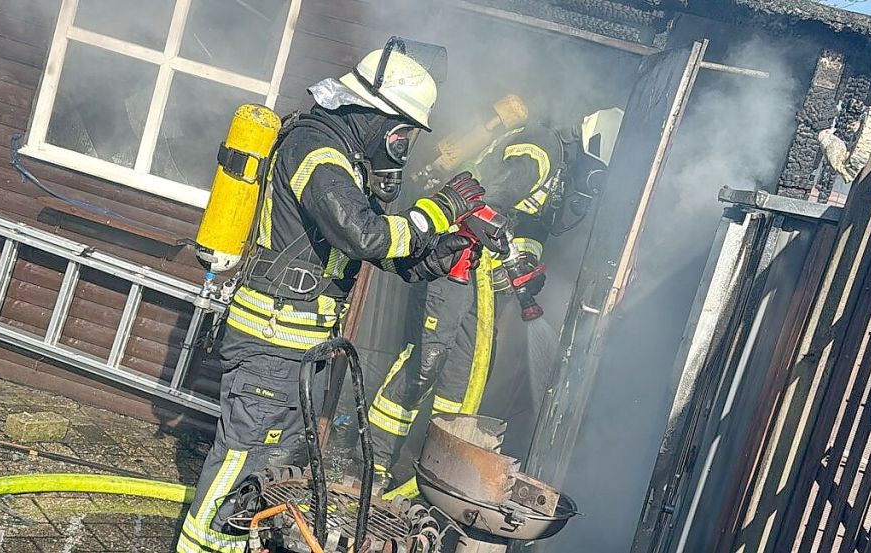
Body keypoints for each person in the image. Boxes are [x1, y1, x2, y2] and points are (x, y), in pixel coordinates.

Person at [177, 38, 487, 553]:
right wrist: (438, 210)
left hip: (302, 349)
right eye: (402, 132)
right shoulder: (315, 150)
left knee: (277, 473)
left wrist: (431, 255)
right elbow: (362, 234)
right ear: (371, 114)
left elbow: (366, 251)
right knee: (243, 459)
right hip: (271, 340)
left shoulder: (344, 161)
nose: (402, 146)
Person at [367, 106, 624, 493]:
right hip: (454, 261)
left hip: (477, 274)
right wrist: (503, 253)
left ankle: (436, 468)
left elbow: (531, 224)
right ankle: (371, 462)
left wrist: (525, 260)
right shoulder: (541, 149)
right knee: (428, 358)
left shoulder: (557, 175)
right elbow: (487, 202)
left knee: (463, 376)